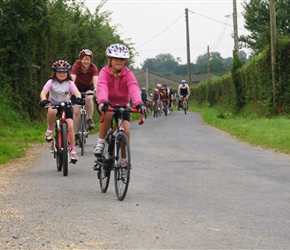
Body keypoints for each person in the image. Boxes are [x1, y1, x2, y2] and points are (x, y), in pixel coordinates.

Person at [93, 44, 145, 161]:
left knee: (126, 131)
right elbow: (102, 86)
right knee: (109, 113)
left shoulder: (128, 73)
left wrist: (138, 103)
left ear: (125, 61)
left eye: (122, 59)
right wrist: (103, 101)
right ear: (109, 60)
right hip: (106, 103)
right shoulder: (104, 72)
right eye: (116, 58)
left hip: (122, 105)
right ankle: (101, 142)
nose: (119, 61)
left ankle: (123, 159)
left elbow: (133, 87)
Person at [39, 60, 84, 163]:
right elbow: (44, 92)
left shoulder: (70, 83)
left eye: (64, 72)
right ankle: (49, 130)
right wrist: (44, 100)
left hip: (66, 105)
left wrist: (78, 98)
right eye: (59, 72)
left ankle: (73, 150)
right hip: (53, 104)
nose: (62, 74)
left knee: (71, 126)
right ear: (55, 72)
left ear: (67, 73)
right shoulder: (51, 82)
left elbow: (77, 92)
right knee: (52, 111)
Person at [71, 49, 99, 144]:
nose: (86, 61)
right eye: (84, 59)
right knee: (76, 110)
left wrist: (95, 89)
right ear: (80, 60)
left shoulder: (93, 67)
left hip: (88, 87)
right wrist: (70, 89)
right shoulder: (76, 66)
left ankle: (89, 120)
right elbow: (72, 78)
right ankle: (75, 134)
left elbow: (95, 79)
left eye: (88, 59)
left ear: (90, 60)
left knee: (89, 98)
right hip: (77, 88)